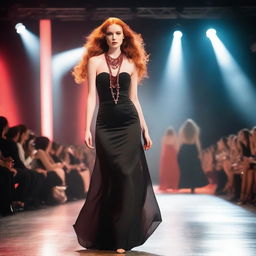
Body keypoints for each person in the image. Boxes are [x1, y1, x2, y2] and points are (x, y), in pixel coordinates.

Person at [72, 17, 162, 253]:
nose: (113, 37)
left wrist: (145, 128)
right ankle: (108, 233)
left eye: (118, 34)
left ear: (124, 37)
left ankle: (123, 237)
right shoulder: (94, 61)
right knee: (112, 177)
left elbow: (134, 99)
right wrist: (86, 128)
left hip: (129, 122)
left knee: (126, 176)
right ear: (105, 37)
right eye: (110, 33)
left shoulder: (132, 63)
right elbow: (91, 97)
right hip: (105, 124)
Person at [178, 119, 209, 193]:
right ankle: (193, 186)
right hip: (192, 148)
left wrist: (179, 151)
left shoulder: (182, 131)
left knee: (186, 168)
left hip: (184, 148)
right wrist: (199, 152)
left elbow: (180, 141)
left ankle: (188, 184)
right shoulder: (195, 130)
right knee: (193, 169)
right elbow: (197, 141)